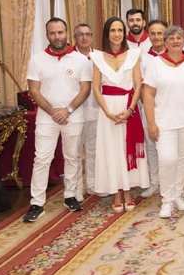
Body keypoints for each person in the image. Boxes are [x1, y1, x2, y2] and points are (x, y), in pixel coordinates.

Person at [23, 18, 92, 222]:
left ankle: (70, 195)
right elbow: (33, 90)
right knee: (42, 159)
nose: (57, 37)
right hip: (47, 117)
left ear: (66, 33)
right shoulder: (37, 59)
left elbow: (85, 88)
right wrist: (53, 111)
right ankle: (37, 203)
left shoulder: (80, 60)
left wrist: (68, 110)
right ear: (47, 36)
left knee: (72, 157)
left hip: (74, 116)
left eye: (60, 32)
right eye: (53, 33)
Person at [143, 26, 184, 218]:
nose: (176, 41)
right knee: (168, 159)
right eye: (172, 38)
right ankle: (166, 200)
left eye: (179, 37)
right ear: (165, 42)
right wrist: (151, 123)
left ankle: (178, 194)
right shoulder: (156, 64)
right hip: (164, 122)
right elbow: (148, 94)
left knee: (183, 159)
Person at [91, 17, 148, 212]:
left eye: (120, 30)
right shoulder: (97, 57)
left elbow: (139, 84)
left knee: (126, 149)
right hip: (108, 110)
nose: (117, 34)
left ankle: (128, 191)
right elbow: (96, 88)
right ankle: (116, 191)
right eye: (113, 30)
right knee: (111, 150)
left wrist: (131, 109)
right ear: (107, 34)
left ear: (124, 34)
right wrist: (107, 112)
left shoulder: (133, 55)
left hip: (128, 108)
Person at [139, 19, 168, 199]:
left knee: (171, 148)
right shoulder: (141, 54)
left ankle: (173, 184)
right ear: (148, 35)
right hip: (148, 107)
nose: (157, 37)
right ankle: (155, 182)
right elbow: (139, 83)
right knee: (151, 146)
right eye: (153, 33)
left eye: (160, 33)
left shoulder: (175, 52)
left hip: (170, 109)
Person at [73, 23, 99, 199]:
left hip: (96, 110)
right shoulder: (69, 57)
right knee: (75, 152)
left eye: (87, 34)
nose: (84, 37)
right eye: (80, 34)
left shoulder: (99, 57)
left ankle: (92, 183)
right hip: (76, 111)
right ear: (75, 37)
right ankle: (75, 188)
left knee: (93, 150)